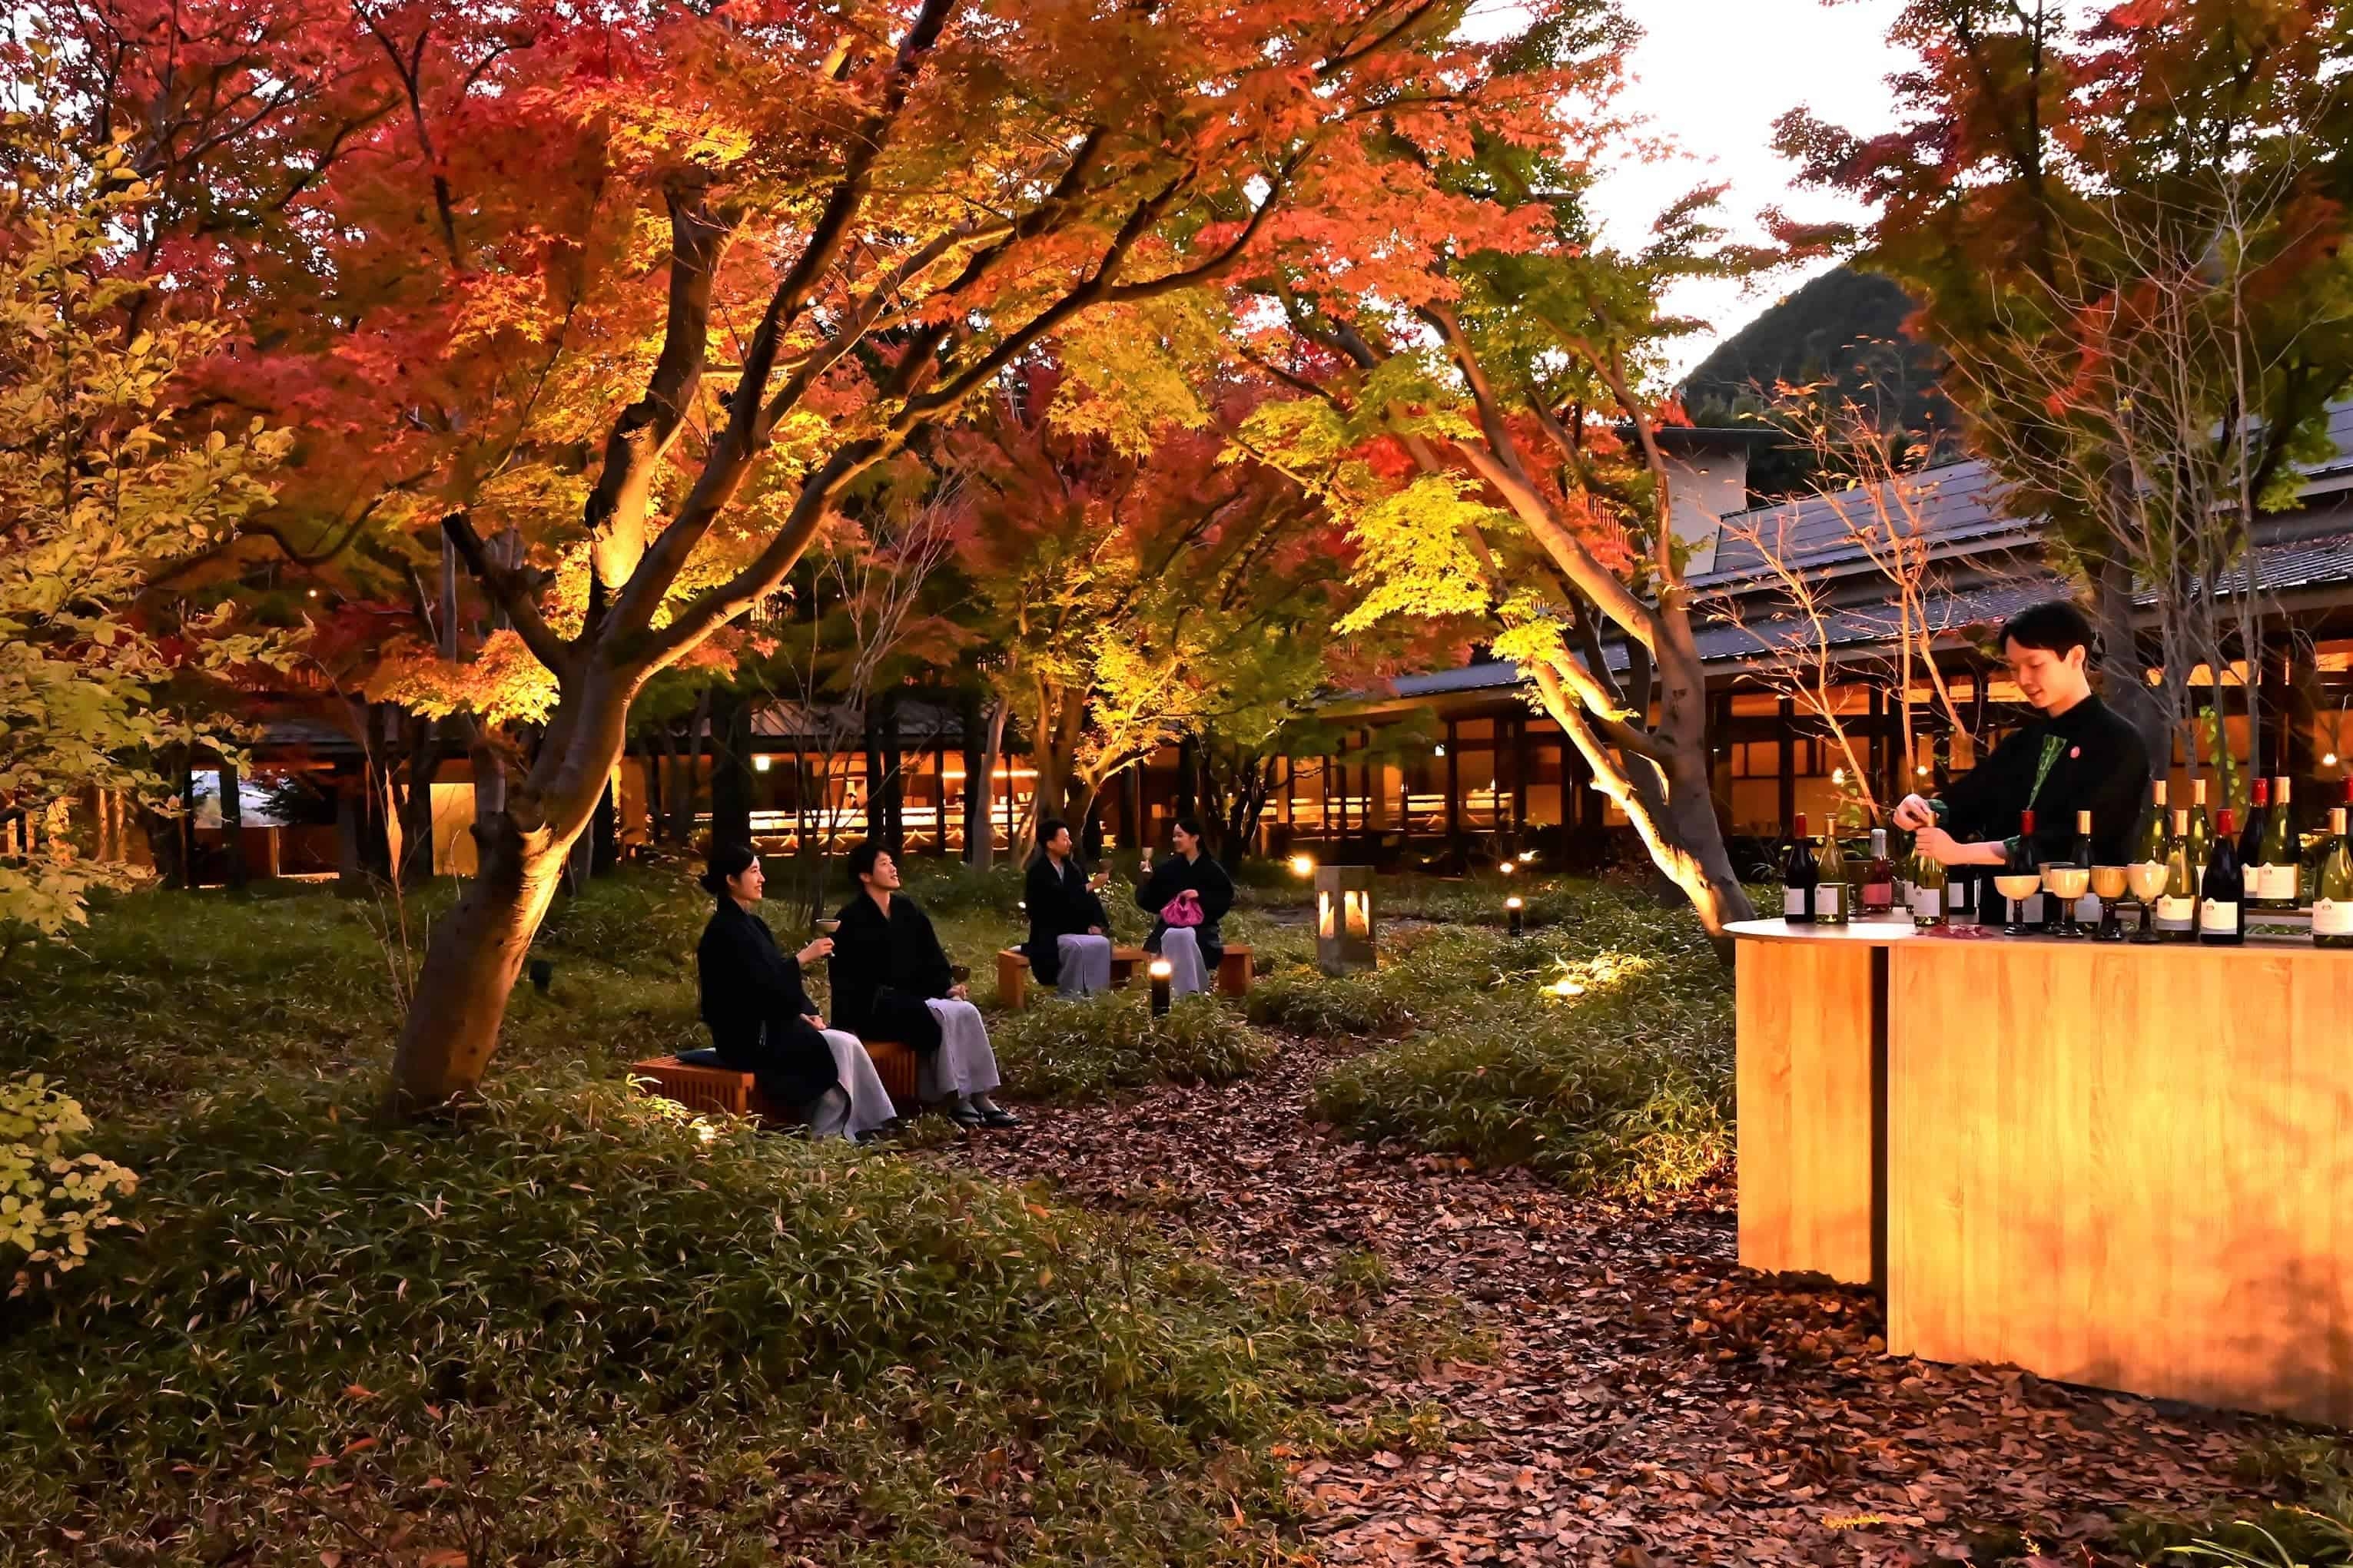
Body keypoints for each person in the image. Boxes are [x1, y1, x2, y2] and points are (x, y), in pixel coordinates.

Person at [1897, 599, 2152, 868]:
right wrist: (1919, 810)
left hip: (2084, 905)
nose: (2023, 680)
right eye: (2014, 668)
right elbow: (1965, 802)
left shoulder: (2119, 742)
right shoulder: (2020, 744)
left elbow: (2081, 839)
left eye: (2035, 665)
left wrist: (1965, 853)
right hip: (2001, 905)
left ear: (2076, 657)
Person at [695, 844, 898, 1143]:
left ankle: (867, 1123)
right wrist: (803, 958)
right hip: (747, 1036)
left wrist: (807, 1011)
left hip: (771, 1025)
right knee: (829, 1061)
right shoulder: (723, 930)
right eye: (754, 872)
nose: (762, 878)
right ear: (730, 880)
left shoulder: (753, 924)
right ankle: (827, 1137)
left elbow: (776, 979)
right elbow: (756, 987)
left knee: (844, 1042)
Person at [831, 840, 1020, 1129]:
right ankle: (955, 1098)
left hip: (916, 998)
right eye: (884, 864)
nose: (893, 867)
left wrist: (947, 988)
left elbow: (931, 956)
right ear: (864, 876)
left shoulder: (907, 909)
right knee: (938, 1016)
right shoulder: (850, 919)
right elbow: (847, 979)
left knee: (965, 1010)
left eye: (892, 862)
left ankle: (981, 1096)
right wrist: (847, 1021)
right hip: (875, 1006)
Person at [1133, 815, 1235, 999]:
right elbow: (1150, 901)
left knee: (1184, 935)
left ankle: (1188, 993)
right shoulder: (1168, 869)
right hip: (1170, 926)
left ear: (1195, 838)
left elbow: (1224, 899)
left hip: (1203, 929)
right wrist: (1145, 881)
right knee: (1175, 934)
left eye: (1180, 835)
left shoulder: (1212, 869)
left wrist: (1200, 896)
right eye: (1174, 836)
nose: (1175, 840)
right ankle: (1187, 994)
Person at [1024, 817, 1113, 997]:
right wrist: (1088, 887)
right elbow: (1053, 902)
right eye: (1064, 839)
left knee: (1103, 943)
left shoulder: (1074, 869)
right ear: (1050, 843)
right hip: (1049, 933)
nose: (1070, 843)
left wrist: (1097, 924)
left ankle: (1097, 994)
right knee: (1075, 947)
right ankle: (1070, 995)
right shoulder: (1038, 872)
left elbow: (1091, 902)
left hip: (1077, 929)